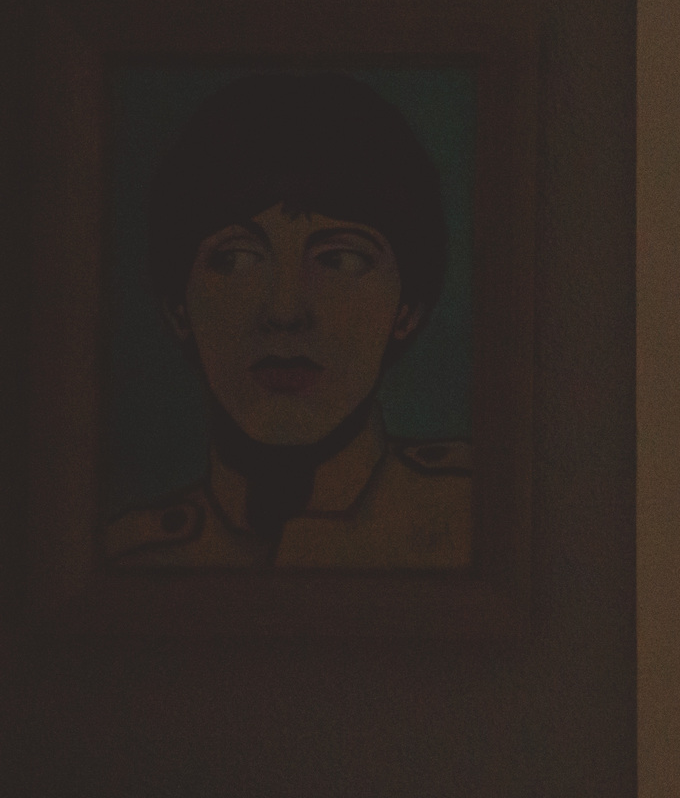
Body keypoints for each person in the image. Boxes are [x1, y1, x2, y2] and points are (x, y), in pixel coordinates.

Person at [106, 72, 469, 569]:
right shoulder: (126, 563)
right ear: (177, 308)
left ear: (408, 309)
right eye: (235, 259)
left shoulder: (474, 524)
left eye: (341, 260)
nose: (284, 312)